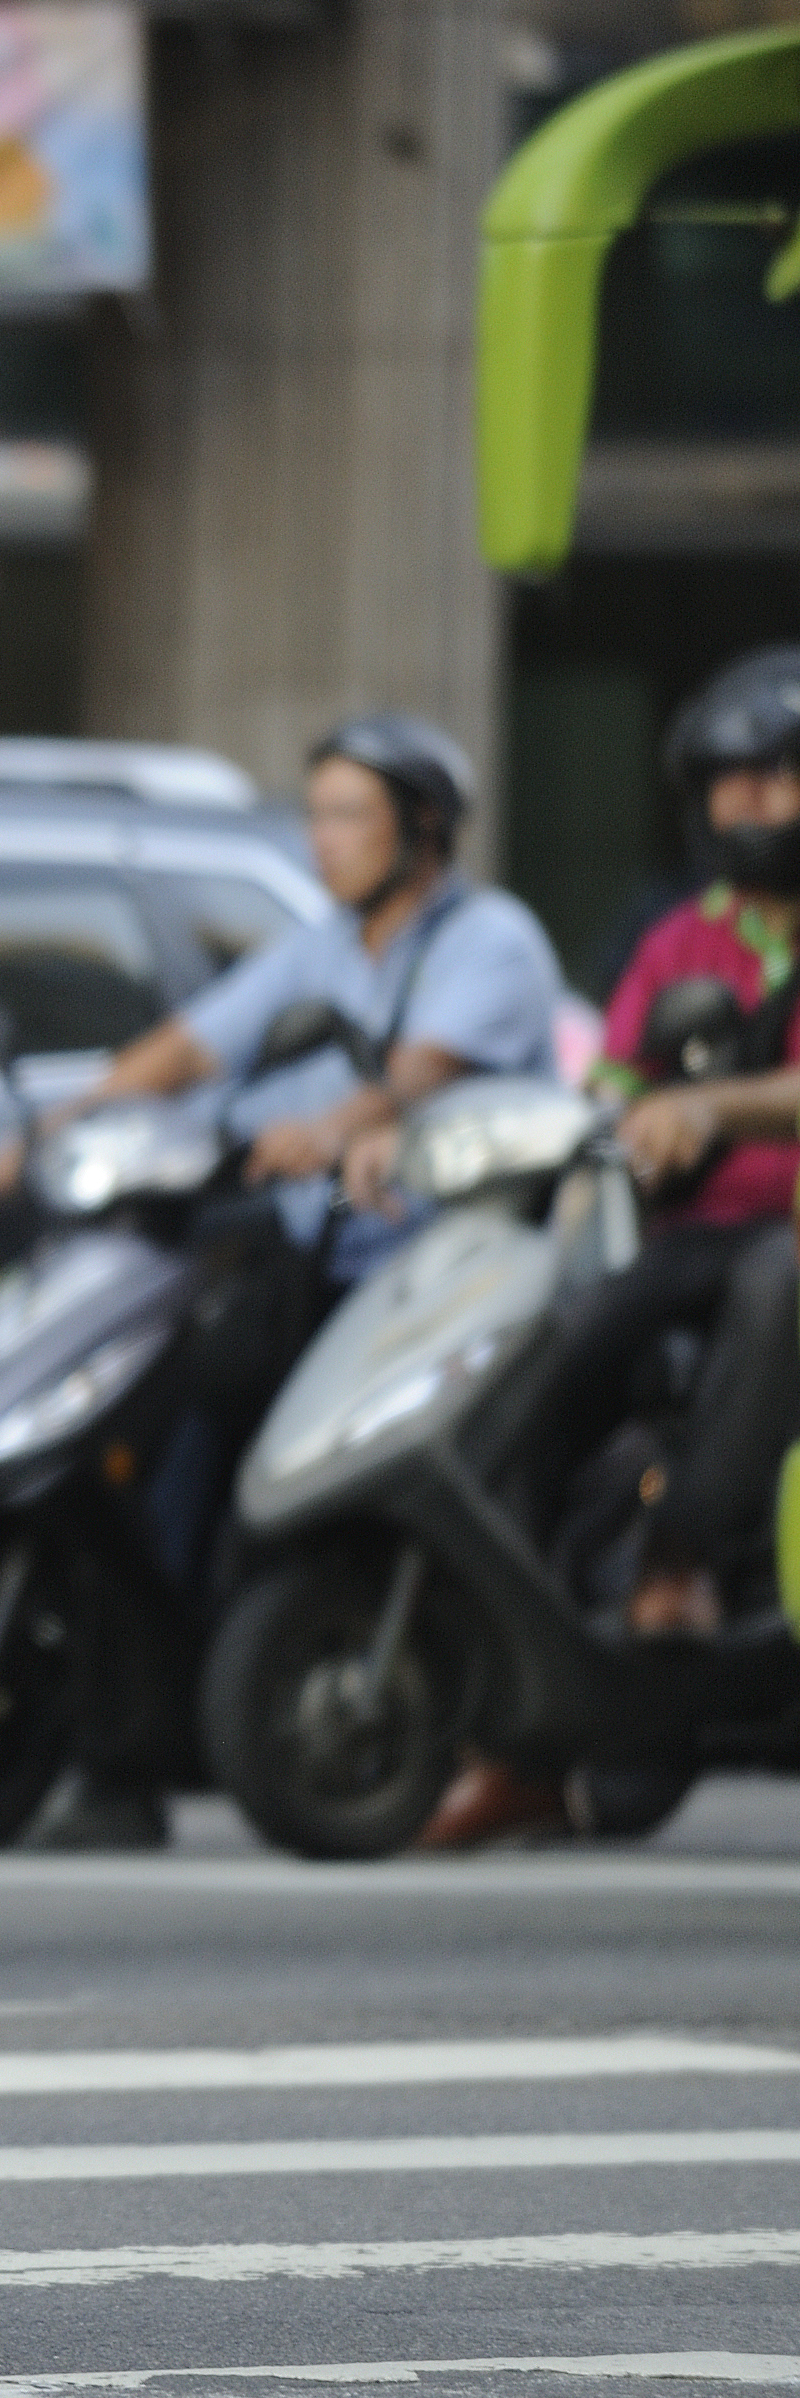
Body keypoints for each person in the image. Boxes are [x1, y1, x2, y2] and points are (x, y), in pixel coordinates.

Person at [0, 711, 561, 1847]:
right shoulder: (320, 947)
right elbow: (194, 1044)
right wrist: (74, 1114)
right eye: (317, 813)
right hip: (302, 1268)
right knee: (157, 1464)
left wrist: (337, 1122)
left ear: (425, 827)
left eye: (350, 814)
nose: (324, 840)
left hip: (434, 1287)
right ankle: (127, 1761)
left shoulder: (490, 940)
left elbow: (416, 1074)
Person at [423, 648, 800, 1847]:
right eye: (729, 781)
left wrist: (721, 1107)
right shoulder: (682, 936)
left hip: (784, 1245)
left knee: (780, 1280)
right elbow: (617, 1073)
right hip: (692, 1233)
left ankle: (683, 1551)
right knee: (552, 1350)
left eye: (774, 778)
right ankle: (519, 1714)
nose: (747, 804)